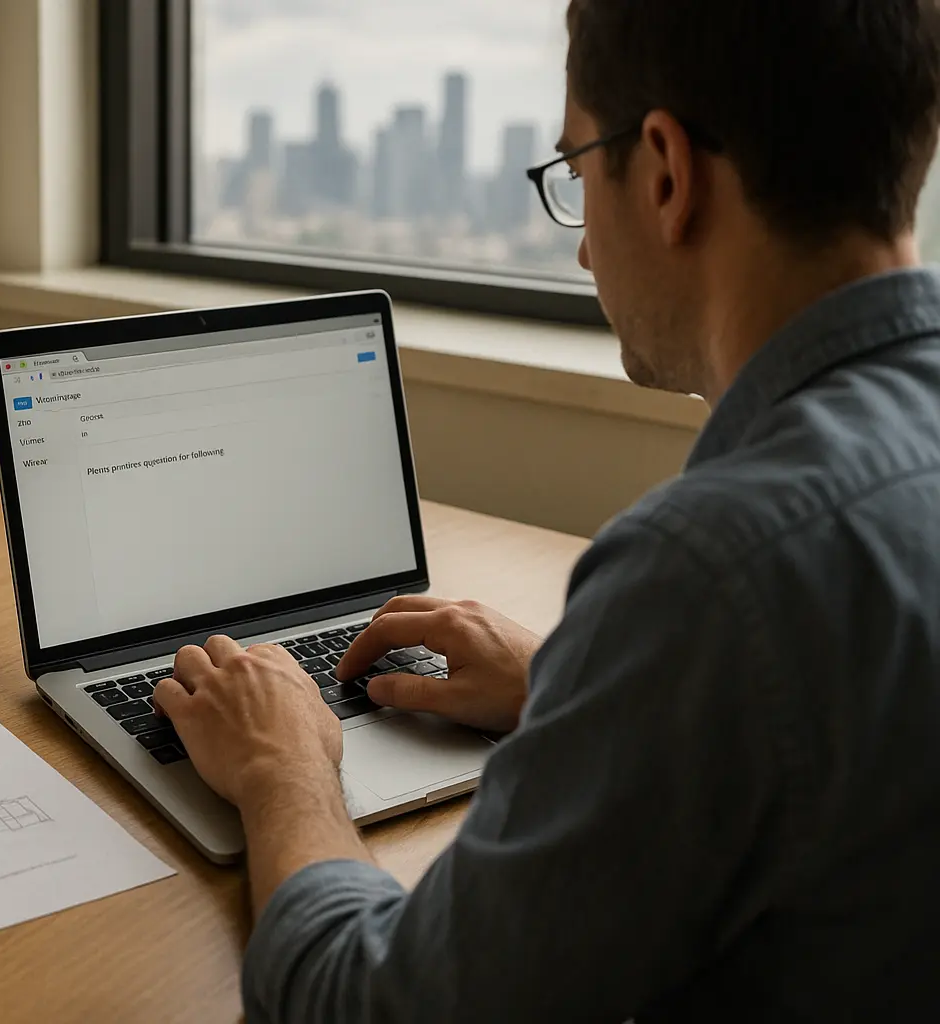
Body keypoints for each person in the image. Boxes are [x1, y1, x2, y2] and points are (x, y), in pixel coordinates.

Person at [152, 1, 940, 1020]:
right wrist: (589, 696)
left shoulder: (709, 574)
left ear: (664, 171)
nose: (580, 254)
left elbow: (370, 1007)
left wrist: (280, 769)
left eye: (576, 171)